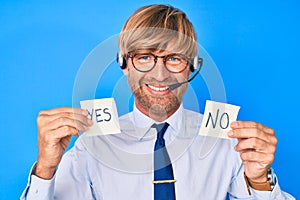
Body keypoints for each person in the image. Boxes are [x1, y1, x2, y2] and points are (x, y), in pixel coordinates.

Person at [21, 4, 294, 200]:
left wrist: (260, 181)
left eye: (174, 58)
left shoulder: (226, 142)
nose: (159, 74)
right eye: (144, 57)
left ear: (191, 68)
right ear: (124, 64)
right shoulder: (93, 144)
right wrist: (45, 169)